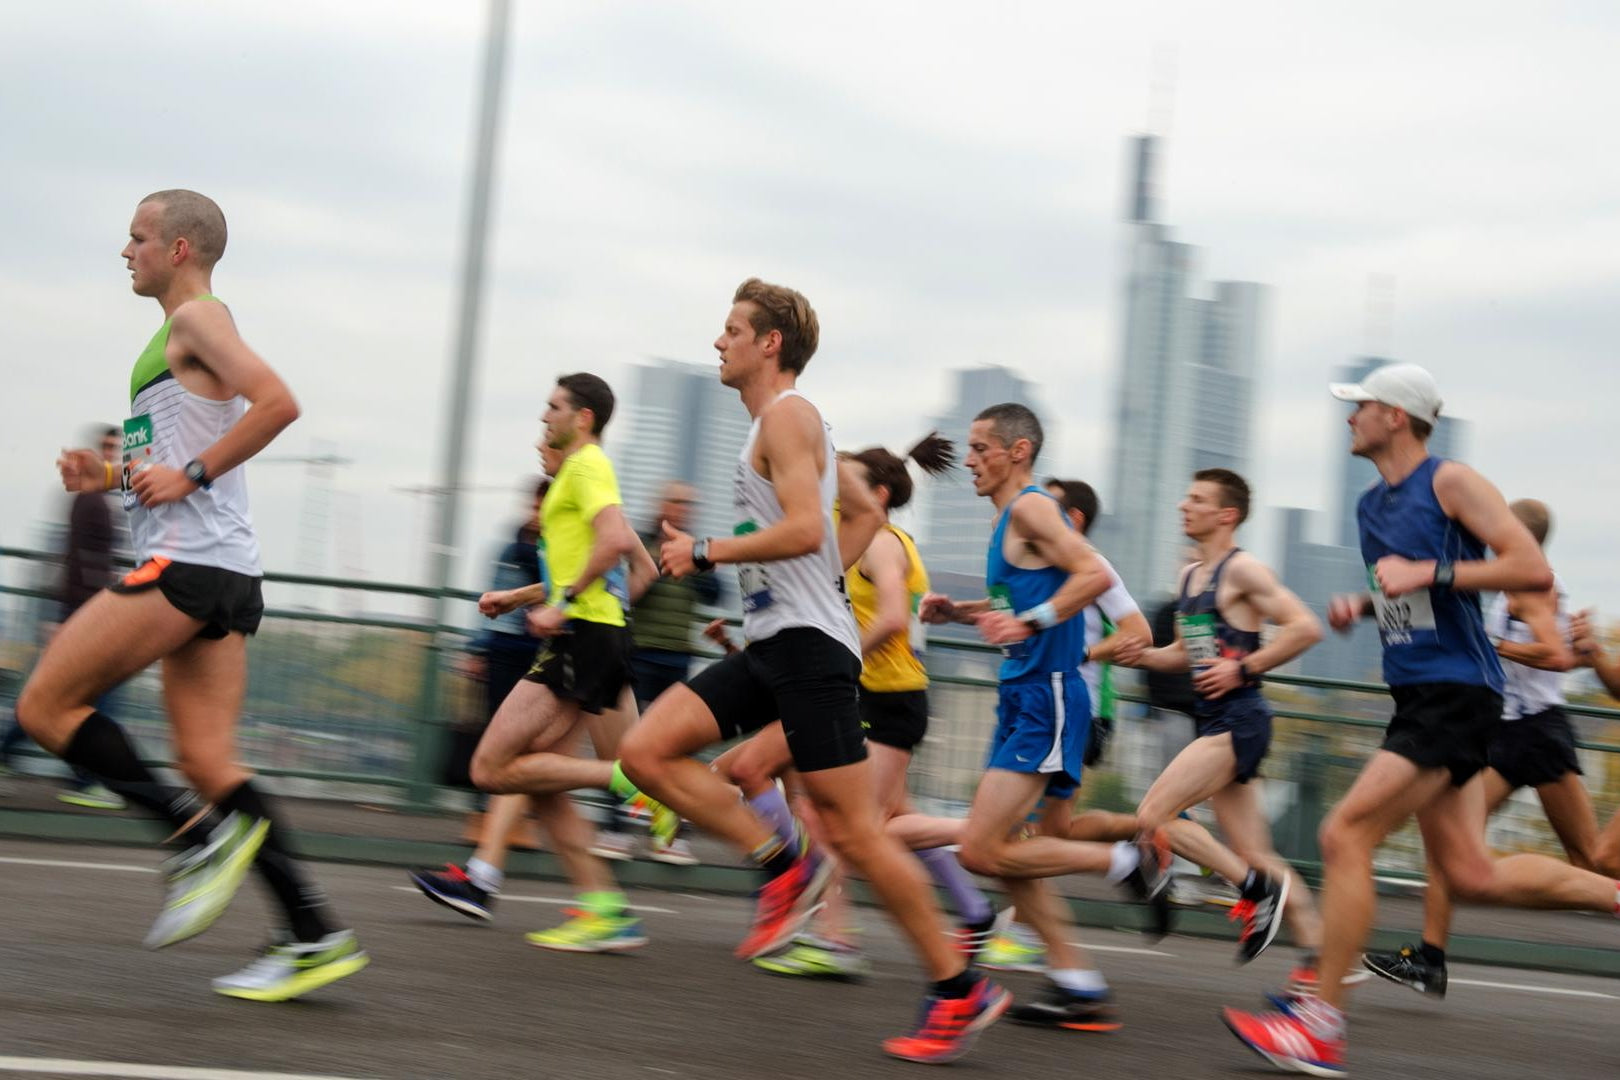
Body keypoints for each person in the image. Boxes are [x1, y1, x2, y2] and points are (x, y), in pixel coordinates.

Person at [619, 278, 1010, 1064]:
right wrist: (814, 581)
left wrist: (706, 551)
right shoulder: (785, 426)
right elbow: (858, 515)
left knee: (861, 837)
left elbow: (805, 527)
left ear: (770, 344)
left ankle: (958, 985)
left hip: (811, 650)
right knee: (643, 754)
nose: (718, 341)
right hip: (779, 640)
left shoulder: (790, 417)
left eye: (732, 329)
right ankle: (782, 864)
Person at [15, 189, 366, 1000]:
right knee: (208, 760)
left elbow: (279, 403)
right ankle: (314, 933)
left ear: (179, 248)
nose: (125, 249)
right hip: (224, 569)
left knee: (43, 706)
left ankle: (191, 841)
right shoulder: (174, 340)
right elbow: (172, 458)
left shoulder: (199, 320)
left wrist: (194, 473)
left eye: (138, 237)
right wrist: (104, 475)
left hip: (186, 567)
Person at [1222, 363, 1620, 1077]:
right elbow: (1409, 594)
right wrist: (1369, 605)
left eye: (1360, 407)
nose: (1349, 418)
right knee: (1469, 872)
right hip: (1419, 695)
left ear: (1396, 416)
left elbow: (1529, 569)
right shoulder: (1372, 507)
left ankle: (1320, 1022)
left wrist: (1426, 575)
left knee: (1343, 833)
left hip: (1458, 693)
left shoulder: (1451, 481)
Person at [918, 404, 1152, 1031]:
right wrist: (961, 613)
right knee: (1011, 849)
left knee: (979, 848)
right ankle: (1078, 983)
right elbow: (1016, 600)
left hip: (1047, 696)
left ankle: (1125, 860)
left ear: (1016, 451)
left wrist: (1033, 622)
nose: (967, 460)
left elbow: (1091, 573)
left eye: (979, 447)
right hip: (1021, 695)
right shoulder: (1007, 520)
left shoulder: (1030, 507)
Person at [421, 373, 661, 952]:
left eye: (552, 408)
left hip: (584, 637)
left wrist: (568, 605)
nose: (542, 420)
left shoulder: (587, 466)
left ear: (582, 418)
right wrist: (522, 598)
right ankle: (604, 908)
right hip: (586, 632)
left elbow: (610, 544)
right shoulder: (574, 477)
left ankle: (634, 781)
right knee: (543, 779)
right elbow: (625, 563)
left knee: (491, 767)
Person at [1363, 497, 1595, 998]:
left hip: (1537, 732)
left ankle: (1607, 895)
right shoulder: (1499, 579)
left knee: (1591, 859)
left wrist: (1498, 648)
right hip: (1505, 732)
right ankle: (1430, 959)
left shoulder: (1534, 584)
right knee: (1450, 851)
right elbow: (1567, 655)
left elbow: (1554, 656)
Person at [1116, 470, 1324, 977]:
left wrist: (1244, 667)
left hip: (1240, 719)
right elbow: (1184, 656)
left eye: (1197, 500)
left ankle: (1255, 893)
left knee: (1154, 817)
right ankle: (1325, 958)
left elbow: (1305, 628)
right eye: (1186, 496)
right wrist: (1138, 656)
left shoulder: (1244, 571)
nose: (1184, 506)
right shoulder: (1191, 579)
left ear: (1226, 515)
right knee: (1256, 851)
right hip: (1213, 722)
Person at [591, 481, 721, 864]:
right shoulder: (641, 542)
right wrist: (656, 564)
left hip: (676, 657)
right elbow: (627, 586)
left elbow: (714, 595)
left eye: (689, 503)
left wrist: (703, 561)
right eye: (677, 502)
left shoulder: (693, 547)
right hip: (638, 652)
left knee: (673, 748)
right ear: (661, 505)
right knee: (625, 746)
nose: (683, 509)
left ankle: (667, 835)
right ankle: (613, 829)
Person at [1, 425, 128, 809]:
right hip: (84, 613)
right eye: (106, 448)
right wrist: (68, 617)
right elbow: (76, 563)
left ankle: (20, 757)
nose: (111, 454)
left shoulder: (99, 501)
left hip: (89, 611)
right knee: (92, 696)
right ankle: (85, 779)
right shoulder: (87, 500)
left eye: (115, 448)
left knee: (61, 695)